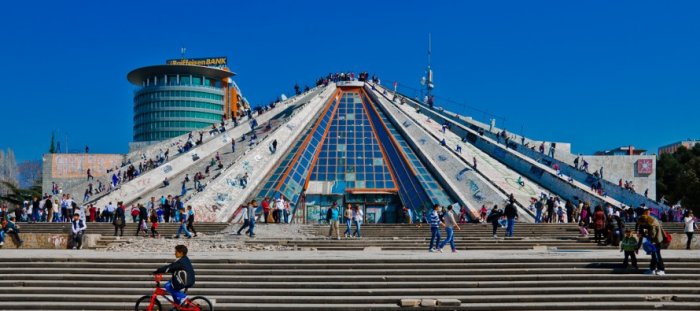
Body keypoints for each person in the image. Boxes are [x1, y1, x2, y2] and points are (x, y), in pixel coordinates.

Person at [636, 207, 666, 275]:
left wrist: (650, 240)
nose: (648, 212)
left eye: (649, 211)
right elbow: (641, 235)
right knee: (654, 255)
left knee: (657, 255)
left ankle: (661, 270)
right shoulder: (643, 222)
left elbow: (653, 234)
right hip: (651, 241)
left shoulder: (652, 221)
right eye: (647, 211)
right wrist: (637, 247)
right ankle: (652, 269)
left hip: (656, 241)